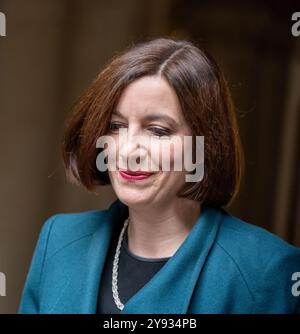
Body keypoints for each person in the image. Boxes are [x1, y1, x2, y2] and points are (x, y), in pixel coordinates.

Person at [19, 37, 300, 314]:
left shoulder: (267, 270)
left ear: (204, 145)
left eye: (158, 130)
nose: (129, 150)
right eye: (116, 126)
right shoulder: (58, 240)